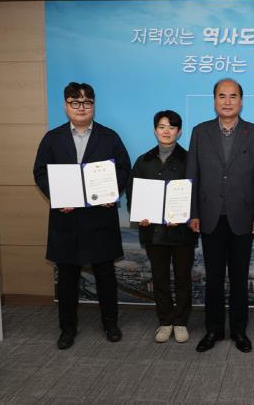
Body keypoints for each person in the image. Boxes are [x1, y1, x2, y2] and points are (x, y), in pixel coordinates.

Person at [33, 82, 131, 349]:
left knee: (105, 275)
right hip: (67, 219)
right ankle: (67, 329)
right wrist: (57, 196)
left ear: (93, 105)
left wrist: (112, 192)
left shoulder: (109, 137)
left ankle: (110, 324)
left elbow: (124, 169)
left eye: (87, 102)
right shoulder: (52, 138)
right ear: (66, 105)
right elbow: (40, 171)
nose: (81, 108)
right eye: (75, 102)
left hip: (100, 218)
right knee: (67, 278)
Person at [186, 78, 254, 353]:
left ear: (241, 101)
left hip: (243, 217)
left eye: (233, 96)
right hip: (209, 216)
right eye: (222, 96)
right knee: (213, 279)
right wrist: (192, 212)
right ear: (214, 101)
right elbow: (192, 175)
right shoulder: (200, 132)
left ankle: (239, 330)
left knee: (239, 279)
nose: (227, 101)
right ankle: (213, 330)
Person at [126, 110, 198, 344]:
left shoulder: (190, 159)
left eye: (172, 127)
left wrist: (186, 215)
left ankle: (181, 322)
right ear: (155, 130)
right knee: (160, 279)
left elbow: (198, 194)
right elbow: (133, 194)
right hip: (153, 232)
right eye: (161, 127)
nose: (166, 131)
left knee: (183, 279)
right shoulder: (143, 160)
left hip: (182, 232)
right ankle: (165, 321)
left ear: (179, 131)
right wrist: (140, 215)